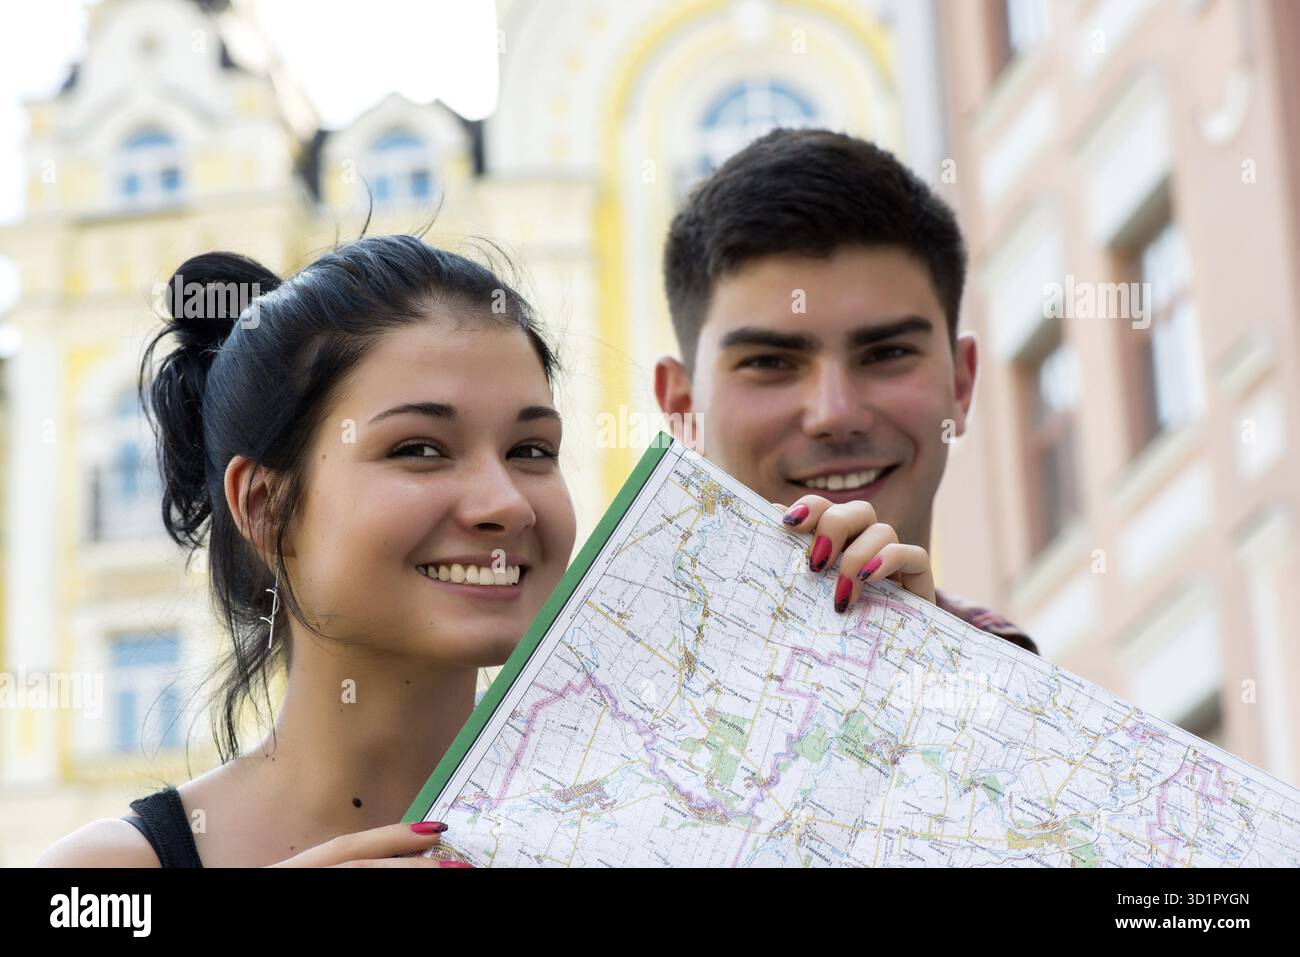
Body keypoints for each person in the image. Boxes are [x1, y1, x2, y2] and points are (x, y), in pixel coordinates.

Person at [37, 231, 920, 868]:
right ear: (264, 505)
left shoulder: (679, 821)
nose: (504, 502)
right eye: (419, 448)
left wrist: (927, 722)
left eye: (532, 451)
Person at [655, 128, 1037, 654]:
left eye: (886, 354)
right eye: (769, 362)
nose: (834, 413)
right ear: (681, 408)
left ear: (962, 383)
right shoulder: (578, 689)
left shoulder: (1043, 716)